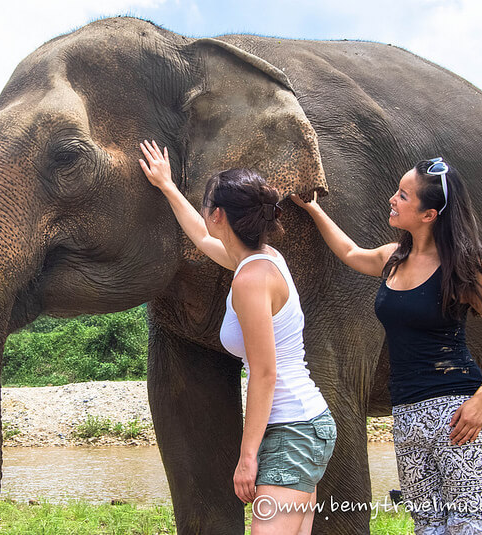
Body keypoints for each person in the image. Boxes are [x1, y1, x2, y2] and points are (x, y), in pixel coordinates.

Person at [291, 158, 482, 533]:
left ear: (429, 214)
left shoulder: (464, 267)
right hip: (407, 417)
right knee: (427, 525)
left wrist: (481, 400)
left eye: (403, 196)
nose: (392, 200)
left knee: (472, 526)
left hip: (459, 416)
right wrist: (313, 208)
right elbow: (350, 253)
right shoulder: (392, 258)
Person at [139, 140, 336, 534]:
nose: (204, 215)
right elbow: (201, 238)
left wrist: (248, 457)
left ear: (218, 215)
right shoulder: (262, 259)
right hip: (302, 423)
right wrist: (167, 186)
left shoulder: (250, 279)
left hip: (292, 428)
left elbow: (264, 373)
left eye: (206, 206)